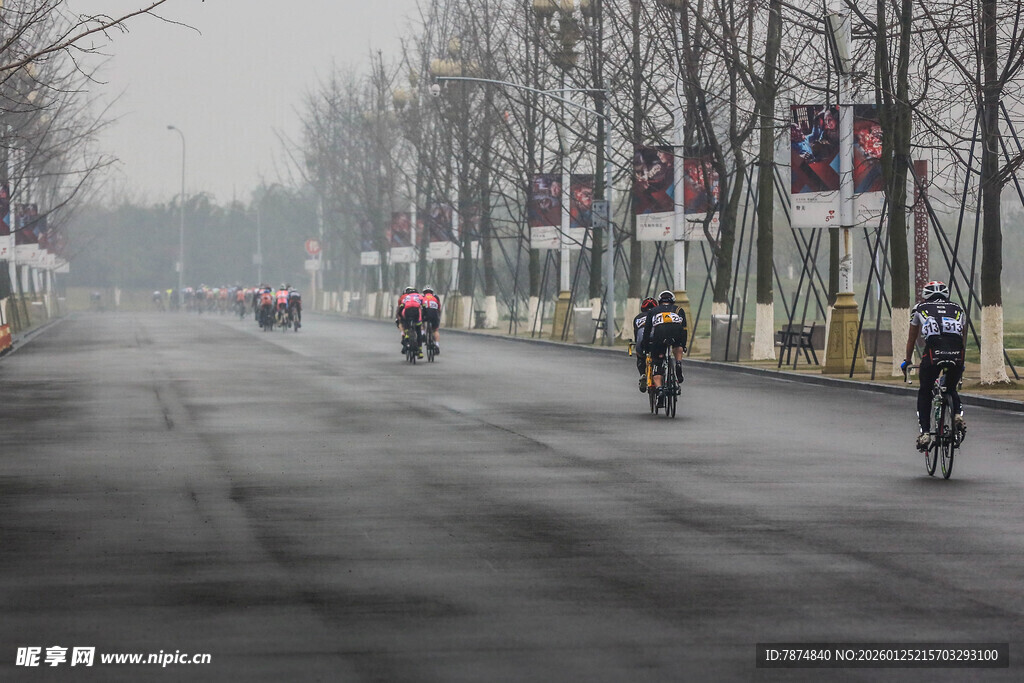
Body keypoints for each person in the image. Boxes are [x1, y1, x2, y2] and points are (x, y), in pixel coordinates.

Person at [901, 280, 967, 451]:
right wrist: (961, 362)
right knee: (950, 388)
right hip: (957, 353)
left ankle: (924, 433)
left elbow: (912, 339)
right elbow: (962, 338)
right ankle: (958, 415)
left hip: (933, 354)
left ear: (925, 295)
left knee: (925, 390)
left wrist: (907, 361)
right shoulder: (958, 309)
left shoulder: (919, 308)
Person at [641, 290, 688, 408]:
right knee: (677, 346)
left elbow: (647, 331)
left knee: (658, 363)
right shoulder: (679, 310)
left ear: (660, 301)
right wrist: (683, 344)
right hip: (676, 332)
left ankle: (660, 389)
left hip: (660, 335)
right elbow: (684, 329)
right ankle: (678, 363)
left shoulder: (653, 311)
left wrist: (647, 347)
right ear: (672, 301)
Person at [632, 297, 658, 393]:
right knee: (659, 356)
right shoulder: (658, 316)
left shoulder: (637, 318)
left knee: (640, 356)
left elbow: (636, 336)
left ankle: (643, 374)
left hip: (642, 341)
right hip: (656, 340)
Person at [395, 286, 423, 357]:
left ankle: (406, 334)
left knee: (405, 323)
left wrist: (399, 317)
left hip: (407, 312)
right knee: (418, 330)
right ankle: (420, 351)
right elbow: (424, 306)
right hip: (416, 311)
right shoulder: (419, 296)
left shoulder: (405, 297)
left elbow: (400, 307)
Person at [421, 285, 441, 354]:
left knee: (421, 322)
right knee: (435, 330)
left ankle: (423, 333)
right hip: (434, 313)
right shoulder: (435, 297)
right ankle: (437, 345)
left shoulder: (422, 297)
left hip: (425, 312)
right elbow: (439, 308)